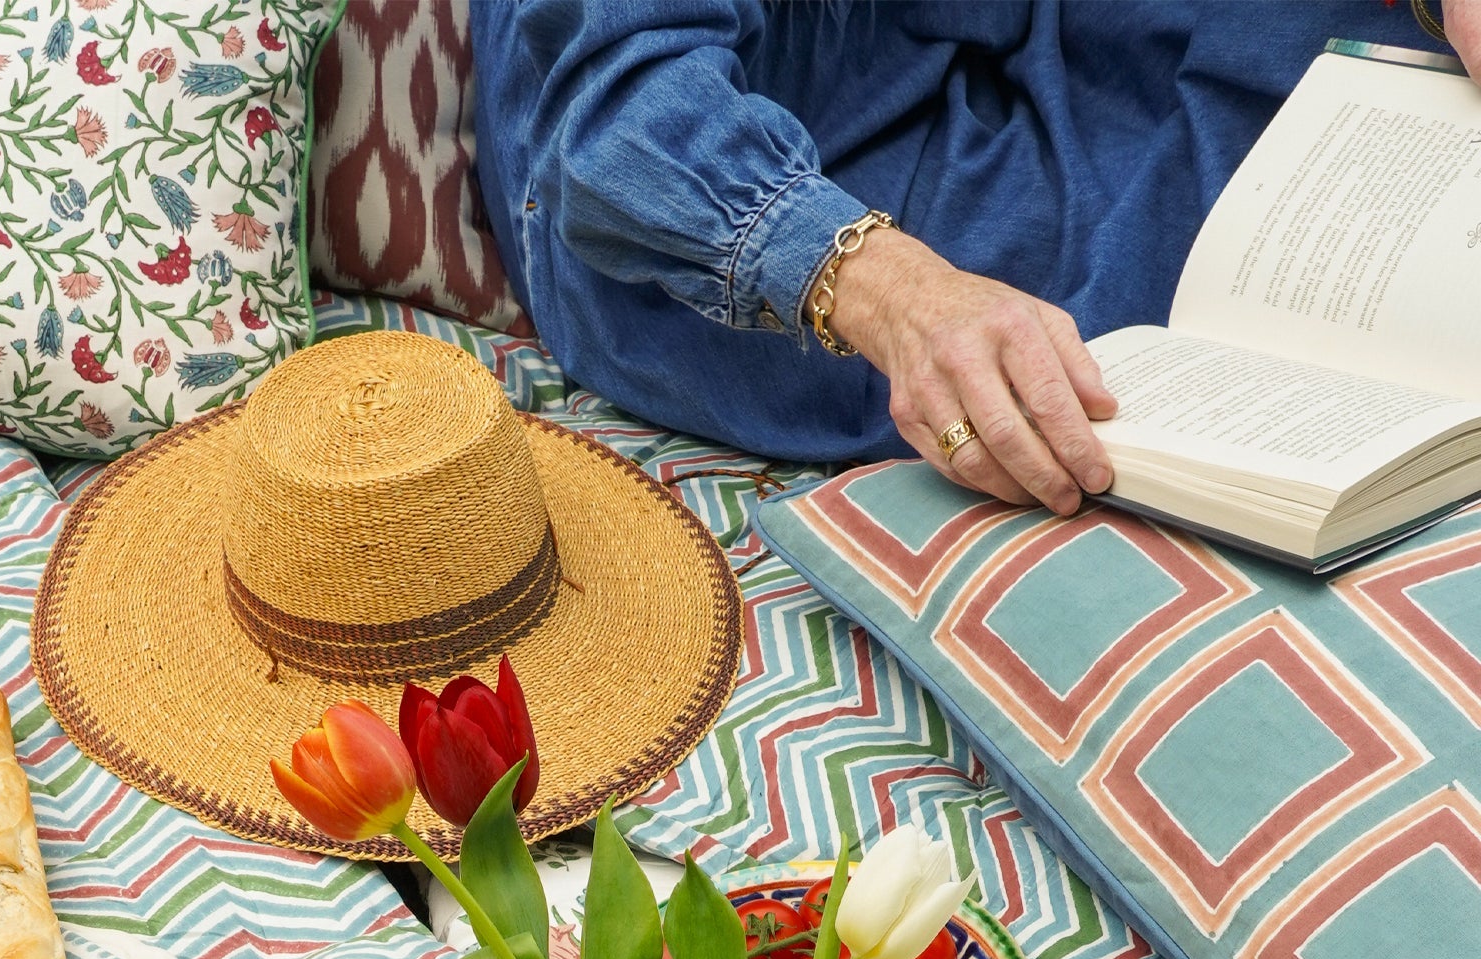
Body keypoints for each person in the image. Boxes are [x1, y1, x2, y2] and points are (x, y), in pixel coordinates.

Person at [469, 0, 1480, 514]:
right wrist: (896, 295)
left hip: (1024, 36)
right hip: (753, 173)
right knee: (1139, 352)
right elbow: (620, 125)